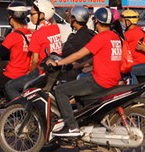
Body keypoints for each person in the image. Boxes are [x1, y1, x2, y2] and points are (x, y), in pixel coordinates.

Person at [48, 7, 122, 136]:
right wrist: (78, 66)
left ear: (96, 21)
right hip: (113, 79)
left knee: (61, 90)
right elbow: (98, 58)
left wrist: (58, 63)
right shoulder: (114, 37)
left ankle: (71, 126)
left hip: (100, 81)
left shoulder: (101, 37)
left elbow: (78, 54)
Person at [5, 0, 62, 100]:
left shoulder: (37, 34)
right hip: (55, 71)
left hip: (41, 73)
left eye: (32, 14)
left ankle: (22, 109)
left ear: (42, 14)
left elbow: (35, 60)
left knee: (10, 86)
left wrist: (30, 73)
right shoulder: (55, 28)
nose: (30, 17)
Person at [61, 6, 96, 81]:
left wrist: (57, 63)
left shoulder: (75, 39)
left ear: (74, 18)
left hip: (78, 73)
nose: (70, 18)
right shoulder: (91, 33)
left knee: (60, 89)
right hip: (88, 71)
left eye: (71, 17)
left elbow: (65, 53)